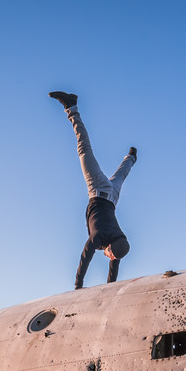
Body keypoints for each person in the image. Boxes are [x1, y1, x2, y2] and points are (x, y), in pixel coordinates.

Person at [49, 91, 137, 289]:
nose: (110, 258)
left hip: (112, 197)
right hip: (97, 188)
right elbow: (85, 257)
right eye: (111, 255)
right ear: (111, 248)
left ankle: (131, 157)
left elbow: (114, 268)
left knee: (122, 174)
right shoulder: (99, 236)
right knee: (84, 149)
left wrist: (109, 289)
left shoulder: (119, 241)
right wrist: (78, 285)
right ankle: (72, 108)